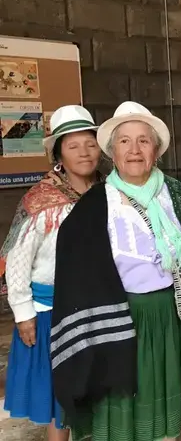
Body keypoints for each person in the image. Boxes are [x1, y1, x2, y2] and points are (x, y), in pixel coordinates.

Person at [51, 101, 181, 441]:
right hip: (122, 322)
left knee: (166, 417)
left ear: (156, 149)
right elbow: (75, 274)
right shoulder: (95, 205)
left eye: (144, 140)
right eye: (125, 141)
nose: (135, 149)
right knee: (126, 418)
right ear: (112, 152)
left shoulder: (176, 193)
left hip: (171, 318)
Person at [1, 105, 101, 441]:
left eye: (90, 143)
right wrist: (23, 313)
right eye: (73, 146)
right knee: (59, 397)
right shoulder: (41, 200)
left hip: (96, 307)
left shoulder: (110, 192)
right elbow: (17, 258)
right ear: (58, 153)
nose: (84, 152)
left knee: (95, 391)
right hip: (49, 313)